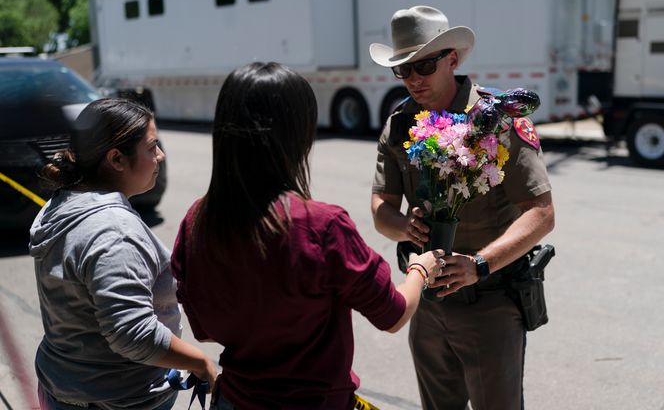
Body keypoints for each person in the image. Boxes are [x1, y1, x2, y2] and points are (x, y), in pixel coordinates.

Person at [170, 61, 444, 410]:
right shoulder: (322, 226)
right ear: (294, 134)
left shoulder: (196, 221)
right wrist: (420, 269)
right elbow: (392, 314)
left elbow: (204, 330)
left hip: (235, 400)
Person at [369, 6, 556, 410]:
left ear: (452, 58)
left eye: (423, 65)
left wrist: (480, 265)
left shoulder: (496, 118)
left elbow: (541, 213)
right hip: (427, 302)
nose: (413, 79)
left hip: (489, 303)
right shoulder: (400, 122)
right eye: (402, 69)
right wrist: (404, 227)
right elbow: (381, 207)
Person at [30, 98, 218, 409]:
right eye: (151, 147)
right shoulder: (114, 233)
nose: (161, 155)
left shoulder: (61, 206)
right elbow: (132, 334)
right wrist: (201, 363)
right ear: (116, 159)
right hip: (116, 400)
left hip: (64, 386)